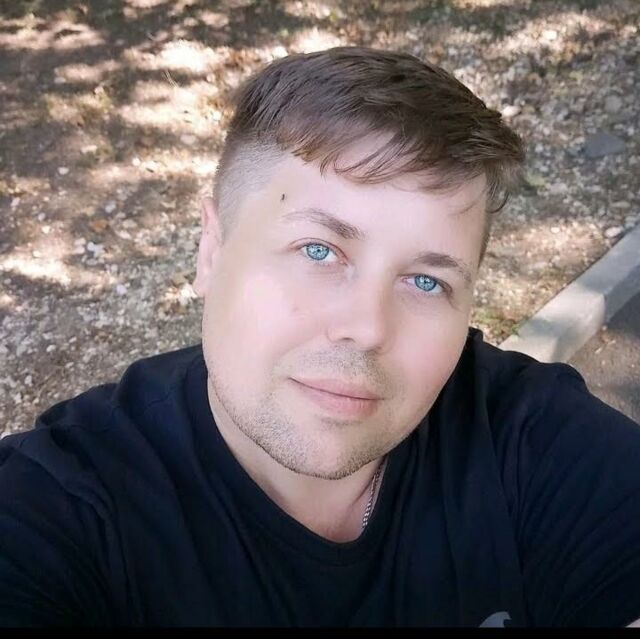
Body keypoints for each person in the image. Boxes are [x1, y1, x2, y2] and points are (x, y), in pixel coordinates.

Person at [1, 46, 640, 628]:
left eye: (425, 281)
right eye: (318, 250)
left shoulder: (535, 447)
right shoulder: (59, 509)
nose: (367, 328)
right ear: (212, 250)